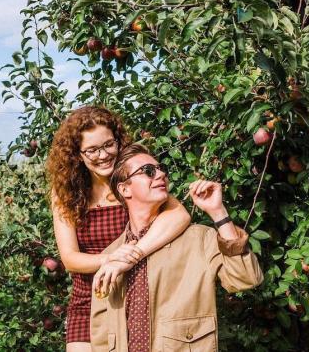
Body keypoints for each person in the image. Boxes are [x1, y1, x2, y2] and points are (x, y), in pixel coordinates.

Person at [90, 144, 264, 352]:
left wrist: (218, 212)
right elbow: (100, 332)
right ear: (124, 188)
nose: (161, 174)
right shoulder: (111, 256)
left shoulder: (199, 238)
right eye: (148, 171)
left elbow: (246, 278)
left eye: (161, 168)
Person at [46, 106, 191, 352]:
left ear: (119, 142)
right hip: (89, 299)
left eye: (108, 145)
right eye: (91, 150)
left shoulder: (136, 182)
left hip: (136, 296)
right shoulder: (66, 194)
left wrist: (134, 254)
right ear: (77, 154)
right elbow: (70, 259)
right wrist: (113, 258)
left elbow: (179, 215)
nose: (102, 155)